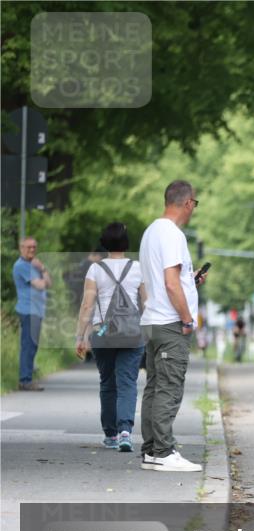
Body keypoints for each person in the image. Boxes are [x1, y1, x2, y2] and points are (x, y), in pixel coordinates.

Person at [138, 180, 206, 472]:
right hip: (169, 323)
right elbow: (170, 283)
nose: (194, 209)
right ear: (188, 203)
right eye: (195, 204)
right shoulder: (173, 234)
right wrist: (187, 318)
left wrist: (191, 281)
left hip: (153, 321)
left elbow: (158, 281)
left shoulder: (151, 232)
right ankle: (164, 452)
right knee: (169, 388)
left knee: (154, 387)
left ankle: (152, 451)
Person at [74, 223, 147, 452]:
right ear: (126, 243)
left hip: (102, 333)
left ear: (104, 243)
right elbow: (146, 303)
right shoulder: (138, 268)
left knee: (107, 383)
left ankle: (111, 434)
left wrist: (80, 336)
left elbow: (87, 305)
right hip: (132, 333)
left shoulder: (95, 269)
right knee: (127, 383)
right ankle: (125, 431)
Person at [12, 236, 51, 390]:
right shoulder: (21, 266)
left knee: (32, 345)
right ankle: (25, 380)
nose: (32, 250)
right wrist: (42, 270)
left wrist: (43, 270)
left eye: (34, 247)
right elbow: (41, 285)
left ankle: (27, 378)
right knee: (28, 345)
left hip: (36, 310)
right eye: (29, 247)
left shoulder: (34, 265)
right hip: (28, 310)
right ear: (21, 248)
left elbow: (49, 283)